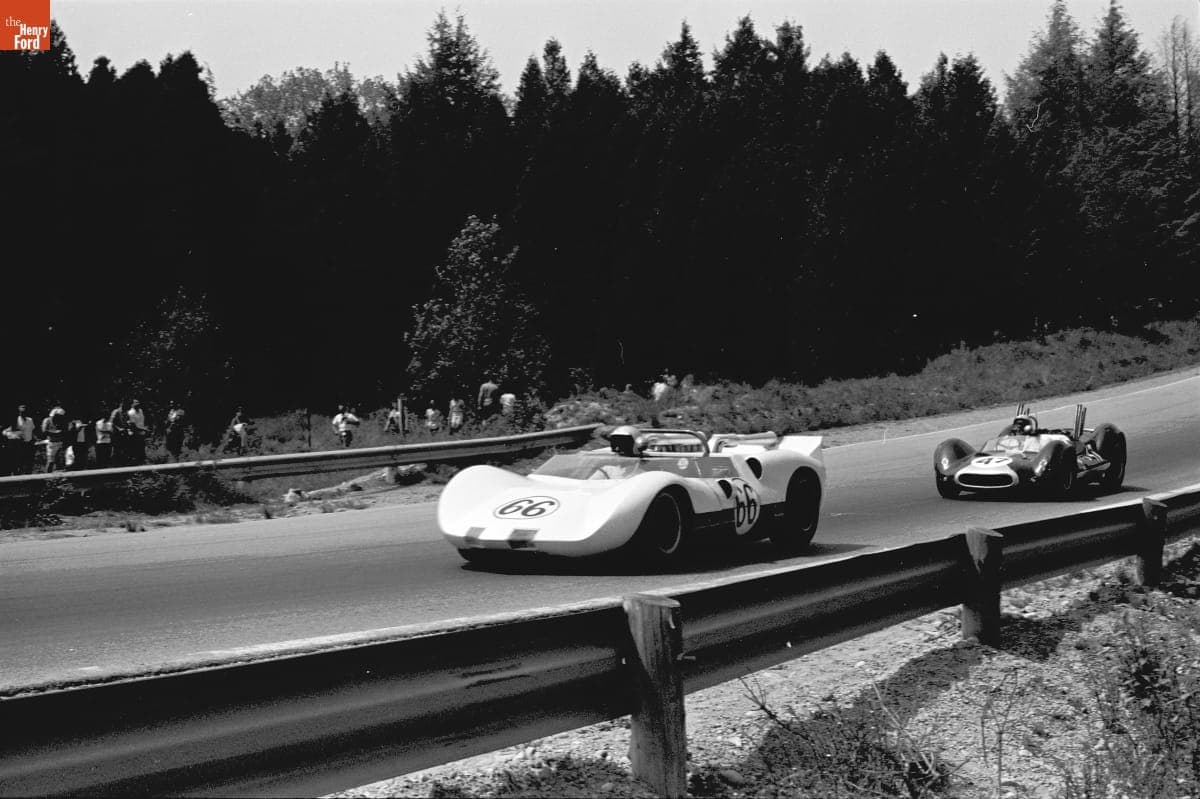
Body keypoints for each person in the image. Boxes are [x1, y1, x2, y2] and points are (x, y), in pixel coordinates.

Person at [6, 404, 36, 474]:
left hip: (30, 444)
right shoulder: (16, 420)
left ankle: (28, 477)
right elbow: (8, 431)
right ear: (19, 412)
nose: (23, 413)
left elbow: (32, 430)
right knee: (20, 462)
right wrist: (14, 436)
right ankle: (17, 477)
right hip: (20, 445)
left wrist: (35, 438)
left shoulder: (30, 420)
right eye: (21, 412)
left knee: (29, 462)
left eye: (24, 412)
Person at [41, 405, 68, 473]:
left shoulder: (61, 421)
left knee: (60, 461)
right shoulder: (47, 420)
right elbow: (44, 431)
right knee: (50, 461)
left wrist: (57, 433)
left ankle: (59, 476)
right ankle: (47, 476)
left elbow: (64, 431)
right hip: (51, 443)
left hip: (60, 442)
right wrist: (56, 433)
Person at [109, 400, 131, 465]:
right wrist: (118, 428)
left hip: (124, 433)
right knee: (116, 449)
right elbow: (111, 422)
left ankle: (123, 464)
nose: (125, 406)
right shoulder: (116, 411)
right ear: (121, 404)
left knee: (125, 449)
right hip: (116, 434)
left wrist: (128, 427)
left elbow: (127, 422)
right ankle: (114, 464)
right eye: (124, 404)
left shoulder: (126, 412)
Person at [127, 398, 148, 465]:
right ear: (132, 404)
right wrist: (144, 429)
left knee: (142, 450)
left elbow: (142, 421)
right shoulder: (131, 413)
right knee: (136, 451)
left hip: (142, 433)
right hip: (135, 434)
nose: (138, 404)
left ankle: (142, 464)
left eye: (138, 402)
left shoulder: (141, 410)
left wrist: (144, 429)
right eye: (136, 402)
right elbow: (133, 426)